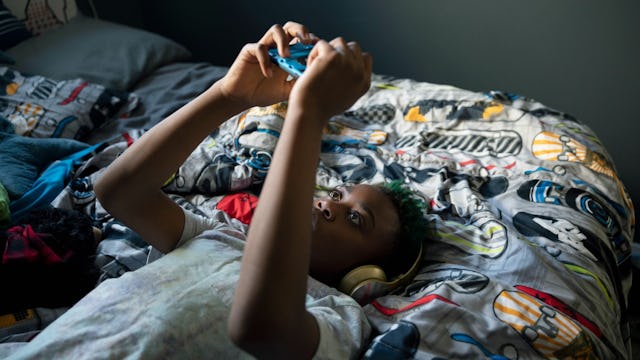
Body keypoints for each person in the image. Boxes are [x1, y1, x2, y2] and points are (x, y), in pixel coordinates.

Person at [95, 22, 427, 359]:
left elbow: (260, 330)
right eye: (338, 195)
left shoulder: (339, 316)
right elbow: (118, 192)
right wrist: (228, 95)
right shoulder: (226, 238)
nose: (329, 204)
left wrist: (308, 112)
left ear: (366, 277)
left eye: (356, 219)